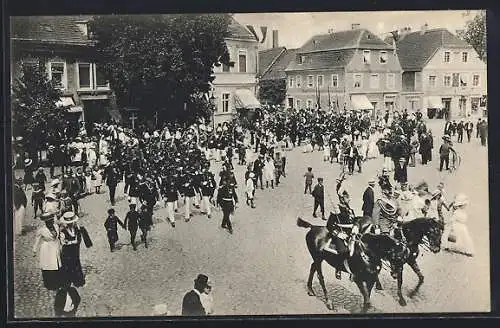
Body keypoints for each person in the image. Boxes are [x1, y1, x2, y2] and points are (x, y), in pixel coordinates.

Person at [32, 212, 62, 291]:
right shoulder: (42, 230)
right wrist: (34, 250)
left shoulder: (56, 226)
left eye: (51, 220)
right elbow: (37, 240)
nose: (51, 222)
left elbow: (59, 237)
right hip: (47, 249)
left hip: (55, 246)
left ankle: (58, 282)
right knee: (49, 266)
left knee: (56, 265)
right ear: (45, 221)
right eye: (49, 221)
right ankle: (50, 284)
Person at [59, 212, 86, 287]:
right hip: (67, 251)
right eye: (69, 223)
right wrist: (72, 242)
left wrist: (77, 242)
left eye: (71, 222)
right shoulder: (63, 232)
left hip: (75, 249)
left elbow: (78, 238)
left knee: (76, 263)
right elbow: (63, 242)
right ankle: (70, 280)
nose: (70, 224)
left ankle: (78, 280)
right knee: (69, 264)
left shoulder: (76, 229)